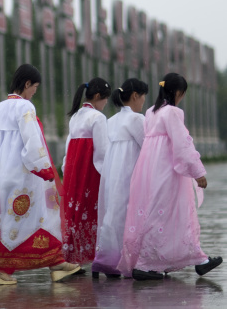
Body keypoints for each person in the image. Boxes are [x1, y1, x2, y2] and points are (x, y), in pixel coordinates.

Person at [117, 73, 222, 280]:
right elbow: (182, 144)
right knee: (171, 213)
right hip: (168, 171)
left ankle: (192, 259)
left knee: (158, 213)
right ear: (177, 92)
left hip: (150, 170)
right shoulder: (172, 112)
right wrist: (198, 171)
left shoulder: (151, 112)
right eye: (182, 93)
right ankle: (149, 265)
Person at [0, 64, 80, 286]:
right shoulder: (25, 107)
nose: (35, 91)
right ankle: (51, 264)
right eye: (34, 87)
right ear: (27, 84)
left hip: (0, 172)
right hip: (23, 173)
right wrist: (44, 169)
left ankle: (1, 269)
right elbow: (32, 140)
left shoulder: (0, 107)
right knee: (41, 216)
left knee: (4, 220)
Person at [91, 78, 148, 278]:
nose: (143, 102)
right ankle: (132, 261)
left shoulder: (112, 120)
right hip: (129, 174)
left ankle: (108, 260)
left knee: (113, 215)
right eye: (143, 98)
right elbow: (147, 148)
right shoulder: (137, 119)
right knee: (131, 214)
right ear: (135, 96)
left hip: (112, 174)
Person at [61, 77, 111, 267]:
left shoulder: (76, 116)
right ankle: (94, 256)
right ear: (98, 96)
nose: (106, 103)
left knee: (74, 212)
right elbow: (102, 151)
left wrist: (67, 171)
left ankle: (72, 258)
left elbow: (68, 147)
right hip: (89, 172)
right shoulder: (98, 118)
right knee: (91, 212)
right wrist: (107, 175)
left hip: (74, 172)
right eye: (105, 99)